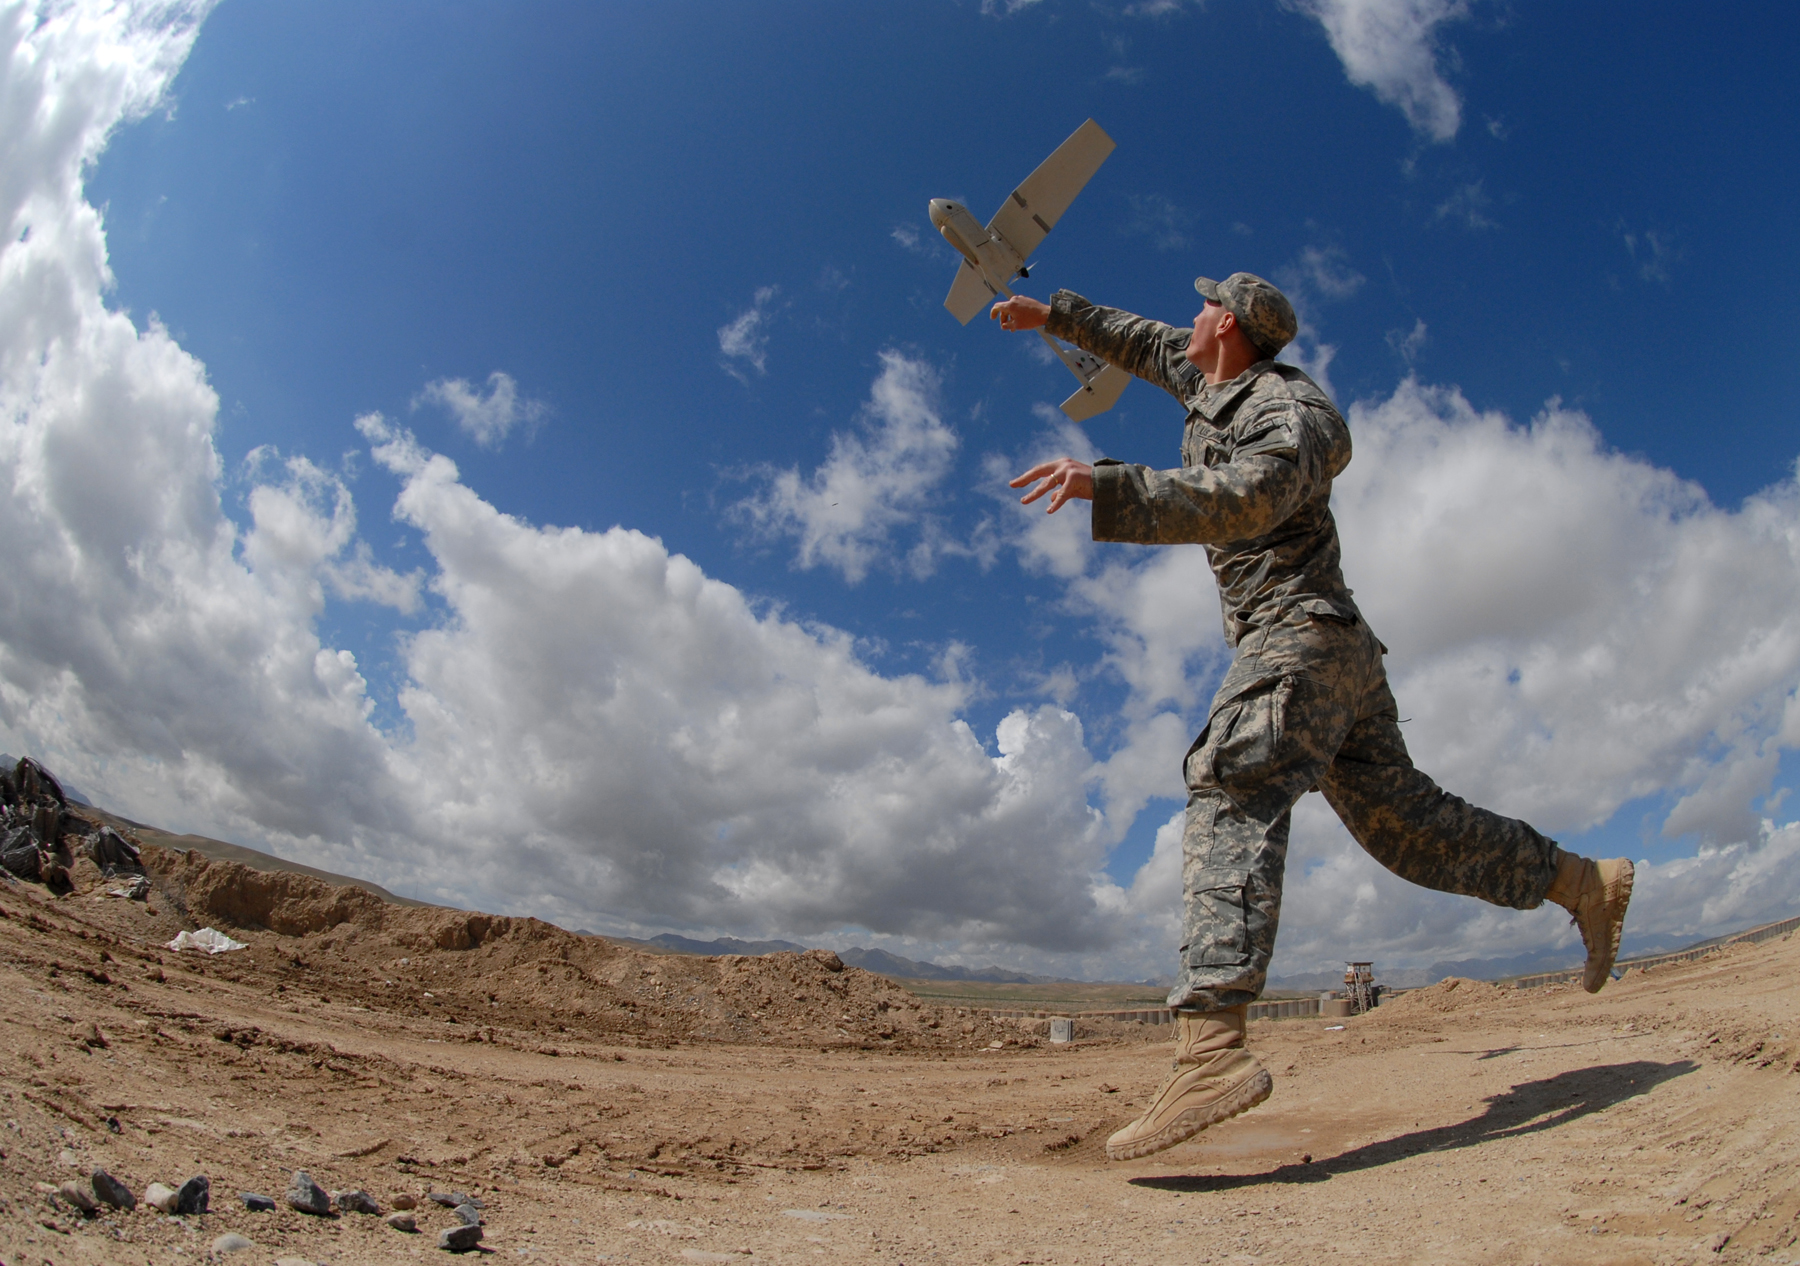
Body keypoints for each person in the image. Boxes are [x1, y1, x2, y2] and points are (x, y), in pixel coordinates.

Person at [992, 275, 1634, 1162]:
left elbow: (1250, 496)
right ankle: (1582, 883)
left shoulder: (1292, 411)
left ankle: (1211, 1049)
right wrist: (1051, 316)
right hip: (1328, 648)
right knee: (1408, 828)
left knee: (1230, 773)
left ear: (1230, 324)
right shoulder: (1205, 378)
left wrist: (1110, 487)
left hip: (1304, 630)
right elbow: (1137, 337)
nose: (1189, 314)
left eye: (1203, 303)